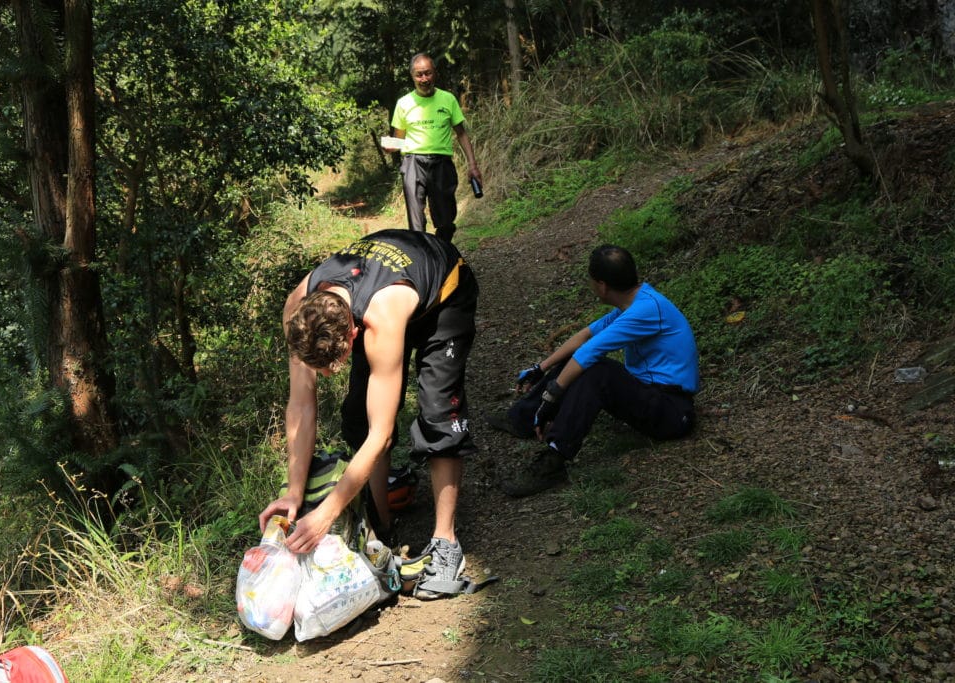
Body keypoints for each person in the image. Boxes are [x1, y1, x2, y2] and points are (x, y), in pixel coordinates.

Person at [259, 229, 478, 600]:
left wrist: (327, 512)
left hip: (443, 291)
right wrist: (294, 493)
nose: (328, 375)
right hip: (380, 282)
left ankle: (446, 542)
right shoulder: (298, 309)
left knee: (439, 412)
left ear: (354, 333)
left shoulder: (382, 316)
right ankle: (383, 528)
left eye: (333, 365)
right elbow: (301, 404)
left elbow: (383, 432)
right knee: (357, 418)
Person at [491, 244, 699, 497]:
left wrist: (552, 396)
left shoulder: (645, 310)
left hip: (673, 413)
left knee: (595, 370)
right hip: (651, 395)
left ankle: (555, 458)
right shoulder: (634, 304)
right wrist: (541, 367)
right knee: (577, 364)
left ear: (601, 285)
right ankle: (522, 419)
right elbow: (584, 337)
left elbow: (589, 353)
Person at [384, 53, 483, 244]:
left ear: (434, 73)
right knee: (416, 222)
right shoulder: (403, 103)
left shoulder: (448, 99)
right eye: (419, 75)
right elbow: (399, 140)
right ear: (412, 77)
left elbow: (461, 133)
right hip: (413, 163)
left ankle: (441, 250)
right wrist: (390, 147)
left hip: (442, 164)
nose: (424, 79)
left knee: (446, 221)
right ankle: (422, 260)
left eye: (427, 73)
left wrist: (473, 165)